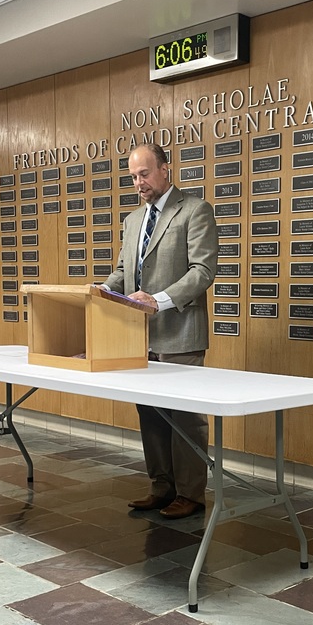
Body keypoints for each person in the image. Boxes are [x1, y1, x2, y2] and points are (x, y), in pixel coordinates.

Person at [102, 143, 218, 519]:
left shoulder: (195, 210)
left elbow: (202, 271)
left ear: (166, 170)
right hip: (141, 336)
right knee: (150, 414)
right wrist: (101, 292)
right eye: (133, 176)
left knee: (185, 417)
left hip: (180, 331)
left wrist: (160, 299)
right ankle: (161, 487)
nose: (139, 183)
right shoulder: (133, 220)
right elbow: (123, 271)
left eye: (145, 174)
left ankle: (191, 494)